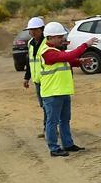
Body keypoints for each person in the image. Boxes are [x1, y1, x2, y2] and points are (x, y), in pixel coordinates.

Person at [37, 22, 97, 157]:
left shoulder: (57, 51)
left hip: (62, 91)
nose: (62, 39)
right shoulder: (47, 53)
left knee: (64, 120)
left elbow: (66, 61)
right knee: (52, 122)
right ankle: (54, 148)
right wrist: (85, 45)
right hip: (52, 93)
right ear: (50, 38)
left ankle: (68, 144)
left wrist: (80, 61)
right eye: (59, 37)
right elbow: (66, 57)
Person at [21, 17, 47, 138]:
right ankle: (49, 127)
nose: (32, 32)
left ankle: (49, 129)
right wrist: (27, 77)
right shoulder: (30, 43)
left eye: (34, 30)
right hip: (37, 80)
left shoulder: (47, 42)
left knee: (48, 105)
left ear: (41, 30)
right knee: (43, 105)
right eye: (30, 30)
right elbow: (30, 61)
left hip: (48, 80)